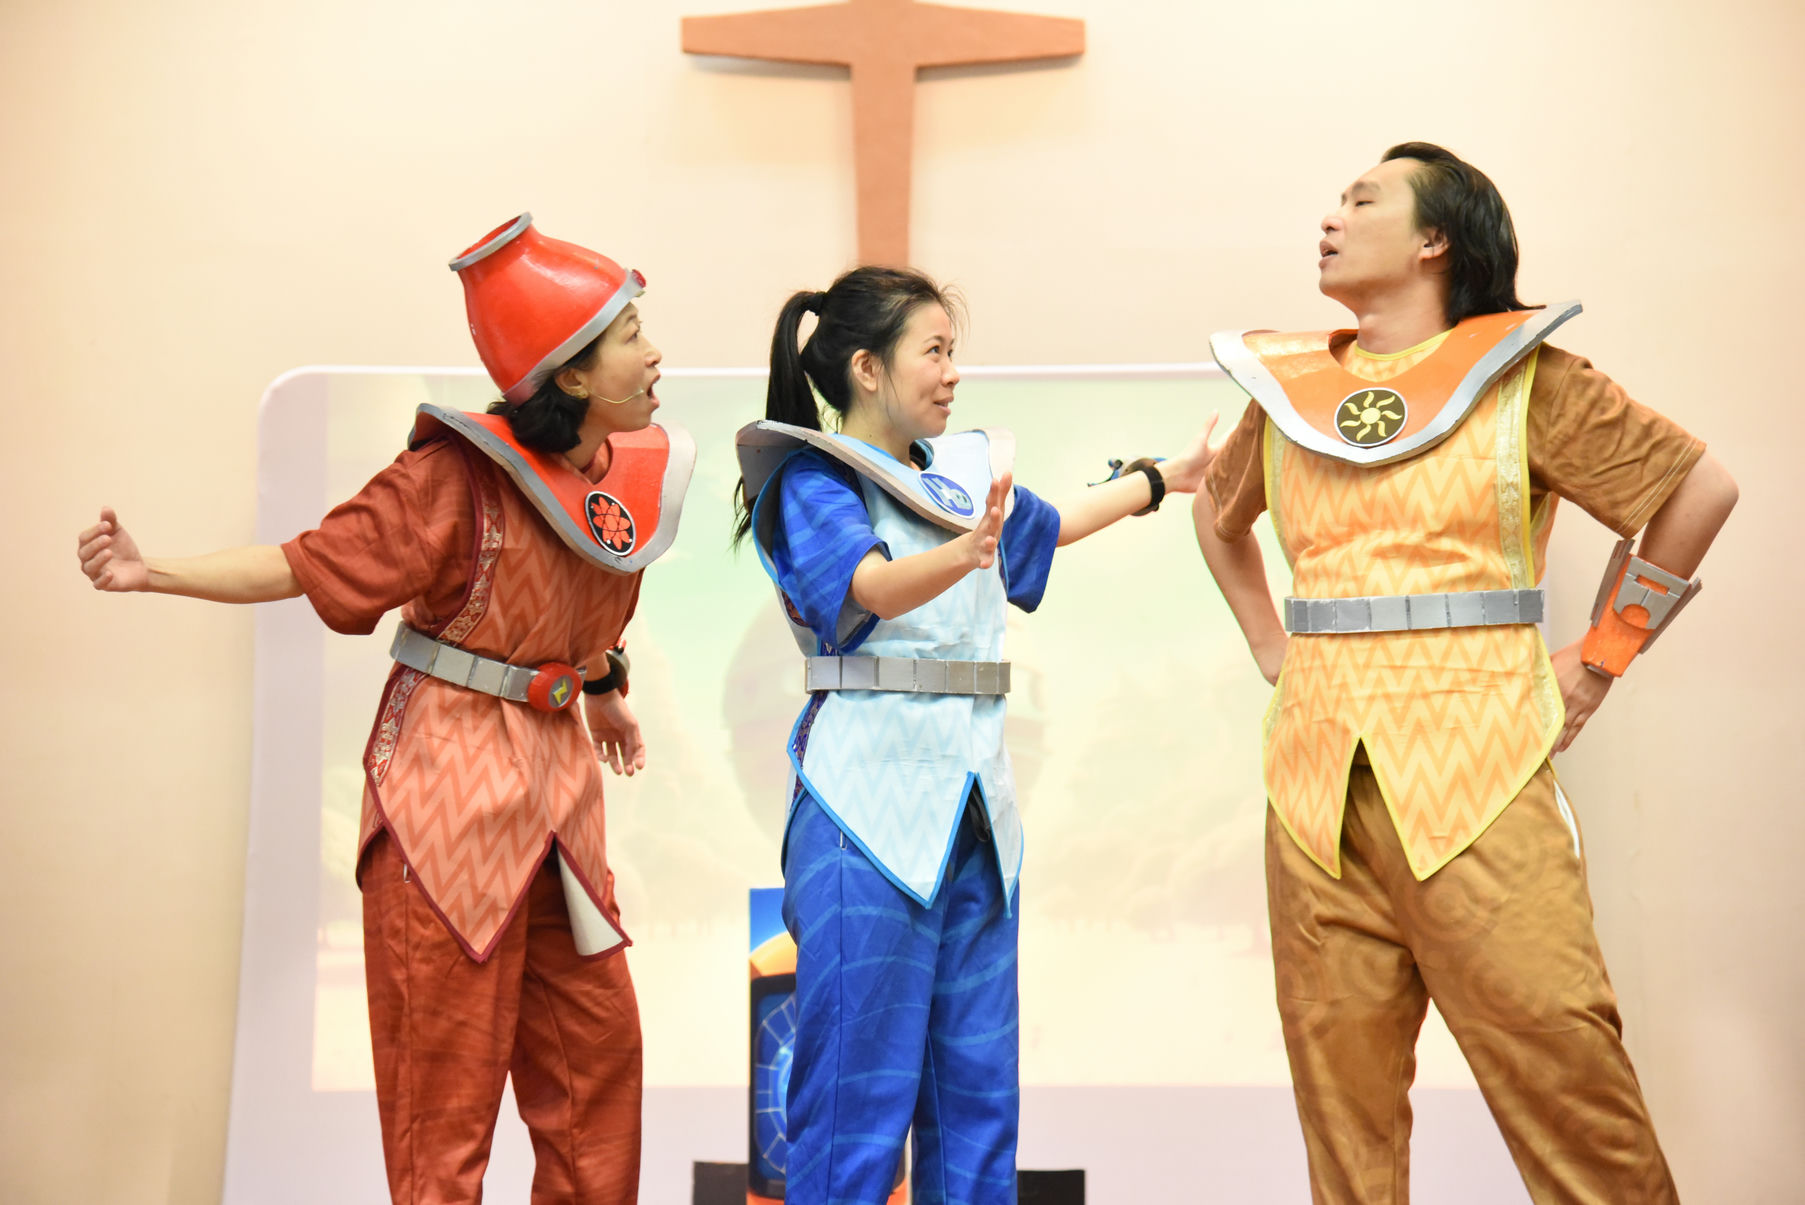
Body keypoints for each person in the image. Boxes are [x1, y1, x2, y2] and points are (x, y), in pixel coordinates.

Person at [76, 214, 693, 1205]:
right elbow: (306, 561)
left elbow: (580, 605)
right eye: (630, 334)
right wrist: (153, 572)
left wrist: (604, 688)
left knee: (596, 1087)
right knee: (441, 1123)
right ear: (573, 375)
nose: (654, 351)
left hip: (560, 816)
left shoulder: (620, 476)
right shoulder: (450, 480)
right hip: (443, 814)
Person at [1192, 143, 1738, 1204]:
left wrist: (1602, 656)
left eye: (1361, 200)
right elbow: (1219, 519)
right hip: (1314, 794)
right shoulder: (1289, 394)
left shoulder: (1525, 378)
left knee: (1573, 1094)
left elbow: (1697, 490)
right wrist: (1270, 645)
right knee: (1342, 1129)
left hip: (1479, 777)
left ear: (1435, 239)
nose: (1329, 218)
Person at [732, 265, 1217, 1204]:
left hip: (975, 815)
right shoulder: (810, 478)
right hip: (862, 813)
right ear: (868, 368)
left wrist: (1162, 478)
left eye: (953, 351)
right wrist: (966, 550)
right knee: (852, 1109)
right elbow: (866, 588)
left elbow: (1051, 525)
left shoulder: (960, 474)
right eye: (934, 351)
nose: (953, 372)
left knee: (977, 1105)